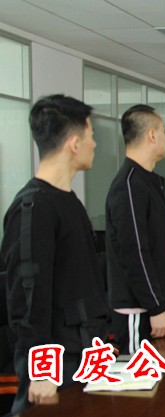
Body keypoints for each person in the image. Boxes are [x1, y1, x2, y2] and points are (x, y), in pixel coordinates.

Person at [0, 95, 109, 414]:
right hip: (55, 362)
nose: (94, 144)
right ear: (74, 143)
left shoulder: (68, 201)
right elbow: (27, 296)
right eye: (91, 135)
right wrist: (42, 369)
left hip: (82, 348)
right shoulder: (34, 207)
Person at [106, 104, 165, 355]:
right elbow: (134, 253)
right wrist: (156, 307)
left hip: (160, 308)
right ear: (152, 135)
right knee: (141, 377)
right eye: (163, 131)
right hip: (141, 311)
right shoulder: (129, 185)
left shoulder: (149, 182)